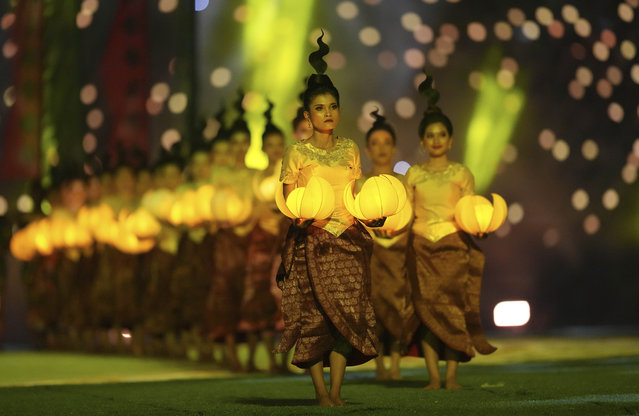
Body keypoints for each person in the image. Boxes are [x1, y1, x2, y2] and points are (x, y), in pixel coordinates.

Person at [274, 32, 382, 407]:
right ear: (307, 115)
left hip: (348, 239)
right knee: (315, 320)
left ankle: (337, 392)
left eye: (332, 106)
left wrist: (374, 217)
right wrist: (303, 220)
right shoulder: (296, 153)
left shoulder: (350, 148)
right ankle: (320, 392)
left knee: (346, 317)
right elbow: (290, 200)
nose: (328, 113)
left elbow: (355, 194)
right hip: (313, 240)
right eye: (319, 108)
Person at [404, 73, 496, 390]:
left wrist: (480, 229)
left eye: (442, 134)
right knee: (426, 314)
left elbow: (470, 211)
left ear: (451, 139)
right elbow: (404, 211)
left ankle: (452, 377)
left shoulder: (461, 173)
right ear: (422, 141)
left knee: (452, 312)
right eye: (430, 135)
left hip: (453, 246)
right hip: (420, 247)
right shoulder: (414, 174)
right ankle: (432, 377)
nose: (437, 139)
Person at [356, 109, 416, 381]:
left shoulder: (404, 183)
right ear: (368, 149)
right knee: (374, 307)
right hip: (371, 253)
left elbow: (411, 215)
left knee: (399, 305)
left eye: (386, 143)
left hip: (399, 251)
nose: (381, 149)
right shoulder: (359, 184)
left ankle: (396, 365)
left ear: (394, 147)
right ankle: (379, 364)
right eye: (375, 143)